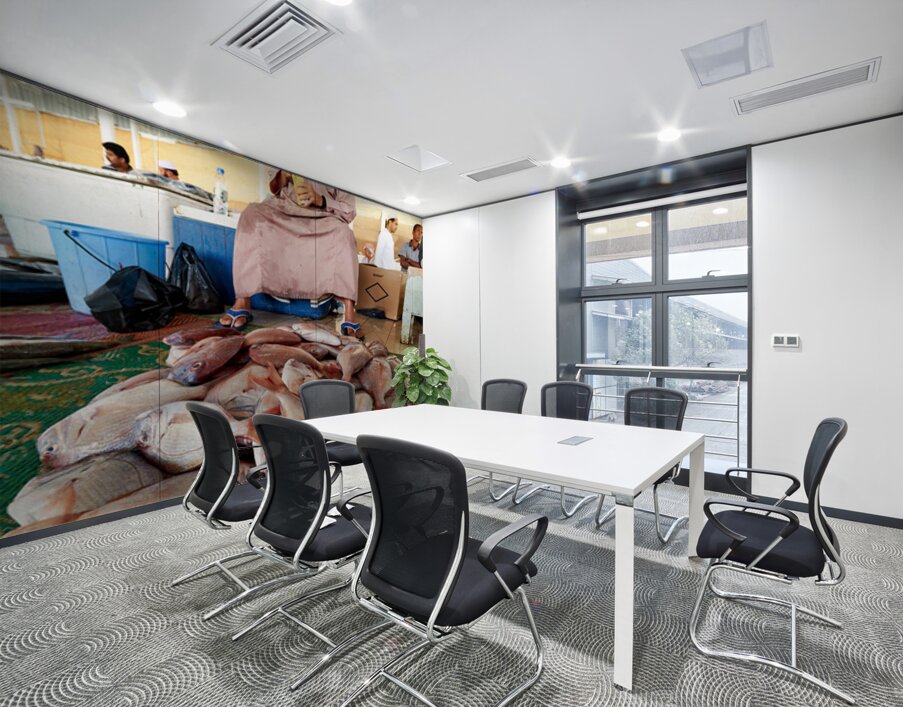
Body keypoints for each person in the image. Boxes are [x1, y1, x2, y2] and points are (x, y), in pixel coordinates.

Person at [219, 168, 363, 337]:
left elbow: (349, 210)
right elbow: (275, 188)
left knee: (344, 234)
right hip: (283, 211)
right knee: (251, 215)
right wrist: (284, 174)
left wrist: (320, 200)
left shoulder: (343, 160)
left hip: (322, 218)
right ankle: (243, 300)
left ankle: (349, 310)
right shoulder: (289, 146)